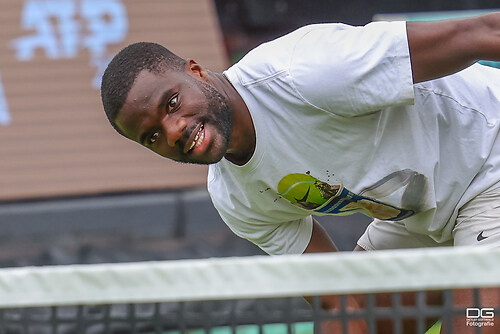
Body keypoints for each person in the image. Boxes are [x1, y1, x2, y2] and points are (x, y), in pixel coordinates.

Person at [100, 13, 500, 333]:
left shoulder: (306, 71)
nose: (173, 131)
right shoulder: (236, 198)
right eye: (152, 136)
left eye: (171, 102)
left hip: (490, 161)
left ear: (197, 71)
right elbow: (336, 298)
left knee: (475, 325)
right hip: (422, 217)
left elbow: (481, 32)